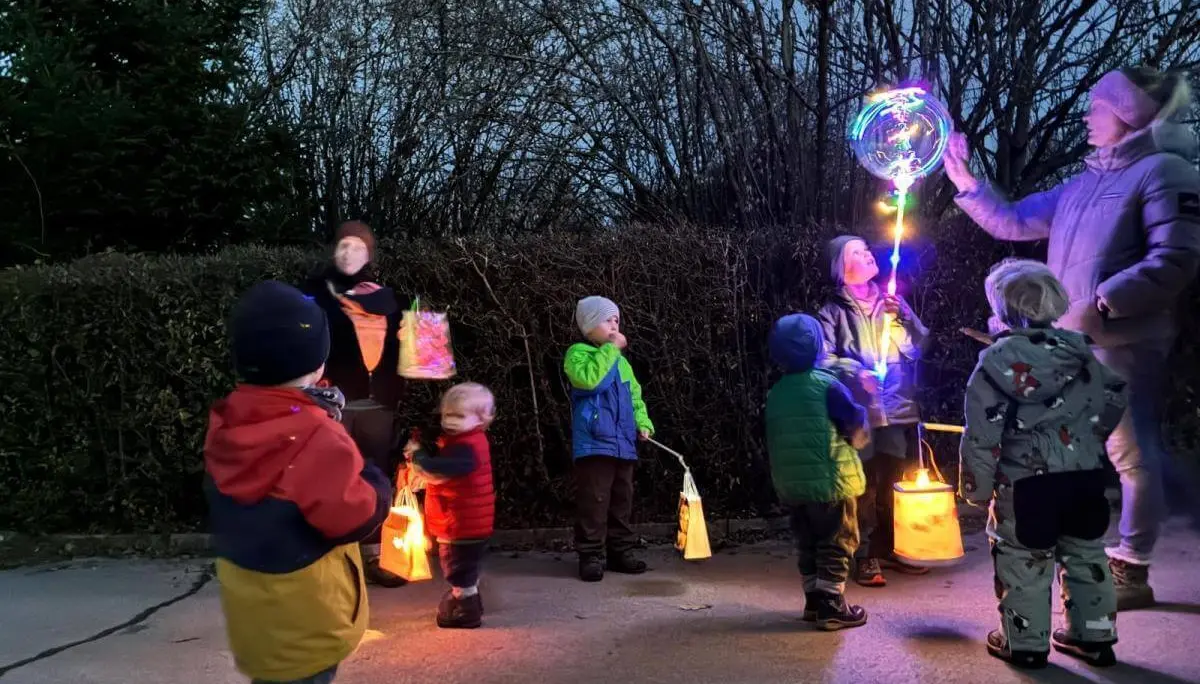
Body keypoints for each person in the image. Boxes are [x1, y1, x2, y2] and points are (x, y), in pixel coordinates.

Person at [944, 67, 1200, 610]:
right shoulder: (1082, 185)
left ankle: (1132, 565)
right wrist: (965, 179)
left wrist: (1104, 302)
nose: (1087, 115)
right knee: (1079, 453)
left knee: (1130, 453)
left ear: (1126, 115)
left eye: (1097, 106)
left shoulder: (1166, 173)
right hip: (1070, 345)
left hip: (1123, 343)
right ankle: (1094, 538)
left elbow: (1176, 258)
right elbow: (1011, 220)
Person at [205, 281, 392, 684]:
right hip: (309, 622)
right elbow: (352, 516)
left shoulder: (227, 422)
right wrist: (377, 485)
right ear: (318, 361)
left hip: (255, 620)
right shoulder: (313, 436)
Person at [960, 259, 1128, 669]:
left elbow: (982, 433)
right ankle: (1094, 637)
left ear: (1001, 308)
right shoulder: (1081, 352)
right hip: (1085, 477)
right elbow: (1115, 394)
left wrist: (976, 489)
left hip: (1027, 486)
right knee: (1088, 555)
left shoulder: (996, 362)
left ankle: (1026, 643)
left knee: (1023, 560)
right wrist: (1092, 439)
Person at [817, 235, 931, 586]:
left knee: (895, 481)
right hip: (859, 412)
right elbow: (823, 359)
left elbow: (918, 348)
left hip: (897, 408)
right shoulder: (832, 311)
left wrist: (904, 321)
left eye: (867, 248)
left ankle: (893, 547)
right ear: (840, 266)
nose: (868, 254)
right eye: (857, 252)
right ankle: (864, 554)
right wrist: (856, 372)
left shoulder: (892, 301)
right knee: (861, 484)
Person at [301, 220, 408, 587]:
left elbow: (403, 349)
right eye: (344, 245)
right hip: (334, 404)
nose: (350, 253)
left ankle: (375, 555)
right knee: (333, 478)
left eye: (358, 247)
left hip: (378, 404)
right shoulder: (315, 293)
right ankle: (332, 559)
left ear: (369, 254)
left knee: (376, 478)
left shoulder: (385, 297)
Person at [766, 313, 871, 630]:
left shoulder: (777, 393)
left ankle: (813, 600)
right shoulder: (827, 386)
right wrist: (861, 429)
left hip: (793, 486)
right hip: (830, 482)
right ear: (816, 347)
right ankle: (831, 605)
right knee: (837, 540)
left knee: (808, 541)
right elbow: (853, 424)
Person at [564, 296, 655, 582]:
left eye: (617, 320)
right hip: (594, 443)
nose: (614, 325)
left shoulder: (621, 363)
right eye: (607, 320)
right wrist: (611, 350)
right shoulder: (578, 354)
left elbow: (634, 396)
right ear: (590, 326)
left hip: (623, 444)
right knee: (595, 500)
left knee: (621, 499)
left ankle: (620, 551)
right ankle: (591, 555)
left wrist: (642, 423)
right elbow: (592, 381)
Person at [404, 383, 496, 629]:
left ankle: (464, 609)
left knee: (457, 568)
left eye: (459, 416)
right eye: (447, 415)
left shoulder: (467, 448)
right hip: (465, 522)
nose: (451, 421)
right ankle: (469, 600)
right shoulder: (466, 442)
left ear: (481, 418)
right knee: (465, 567)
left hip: (460, 525)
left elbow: (438, 469)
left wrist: (417, 456)